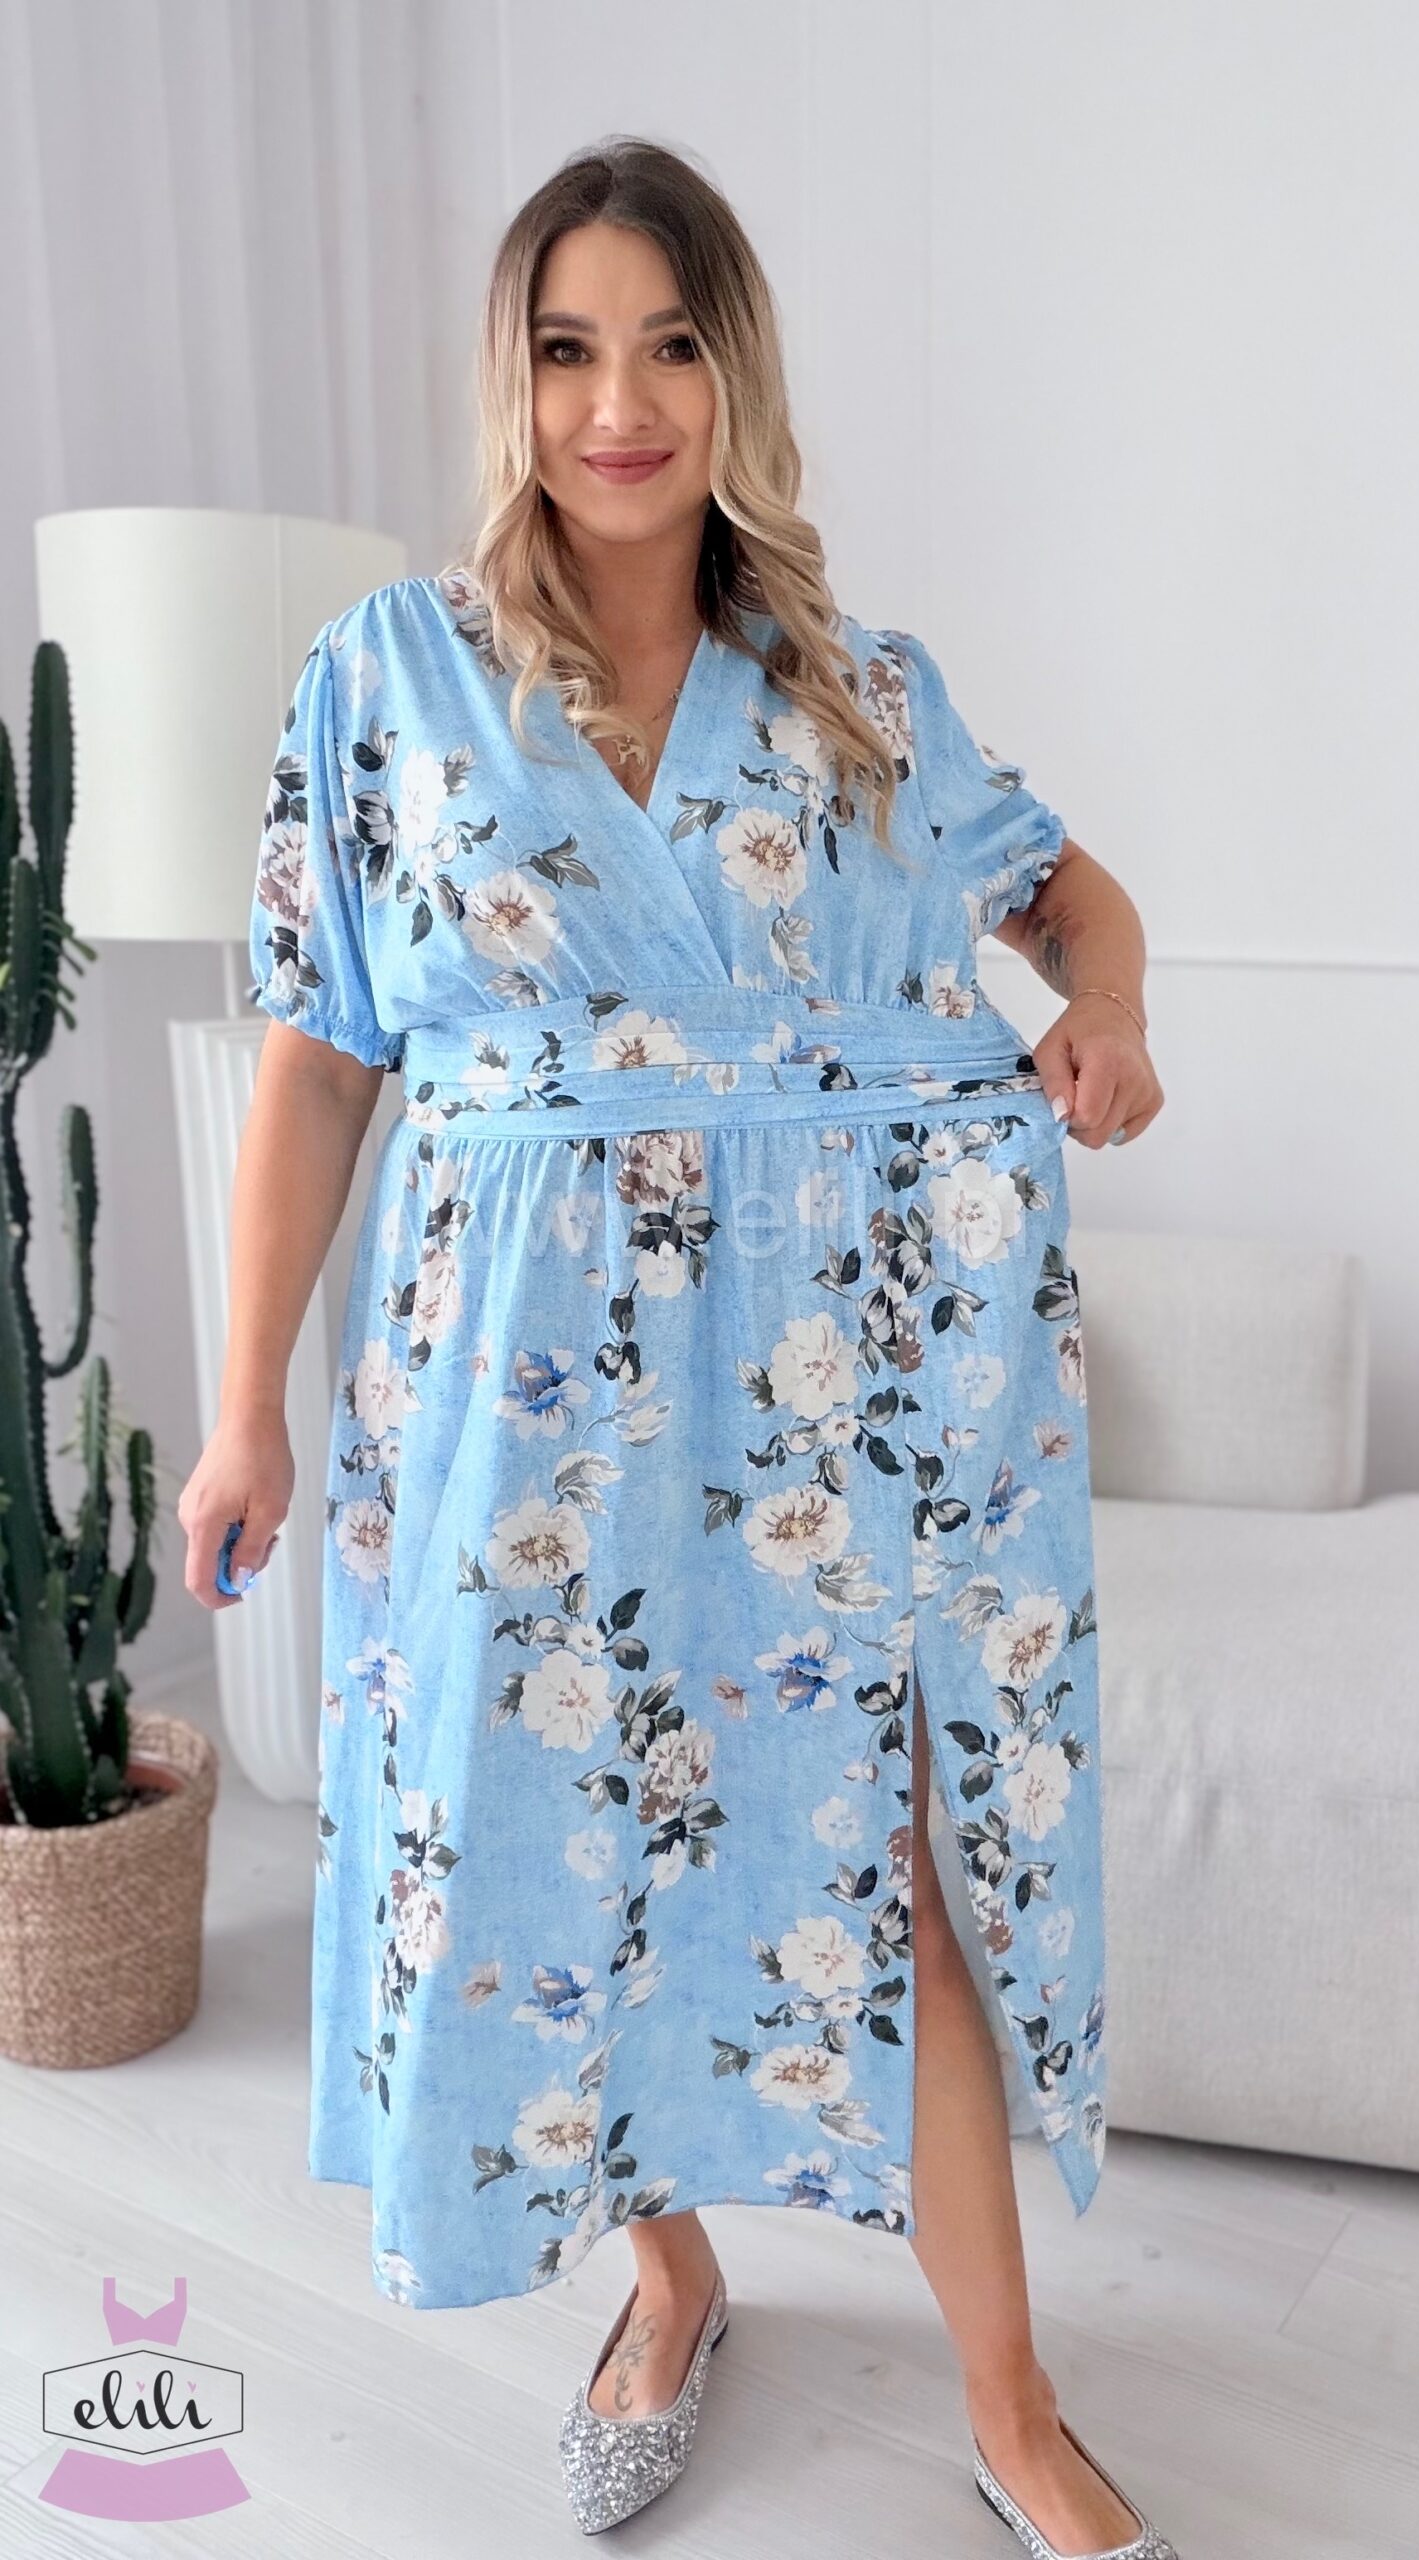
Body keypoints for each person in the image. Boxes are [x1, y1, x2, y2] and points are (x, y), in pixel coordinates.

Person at [178, 137, 1174, 2557]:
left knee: (886, 1869)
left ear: (736, 377)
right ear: (507, 380)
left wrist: (1111, 1013)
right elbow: (316, 1059)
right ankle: (668, 2278)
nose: (616, 403)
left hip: (821, 1399)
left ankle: (1012, 2394)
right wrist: (238, 1410)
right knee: (558, 1845)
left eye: (669, 344)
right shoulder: (386, 680)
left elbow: (1074, 899)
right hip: (505, 1391)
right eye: (565, 347)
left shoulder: (862, 694)